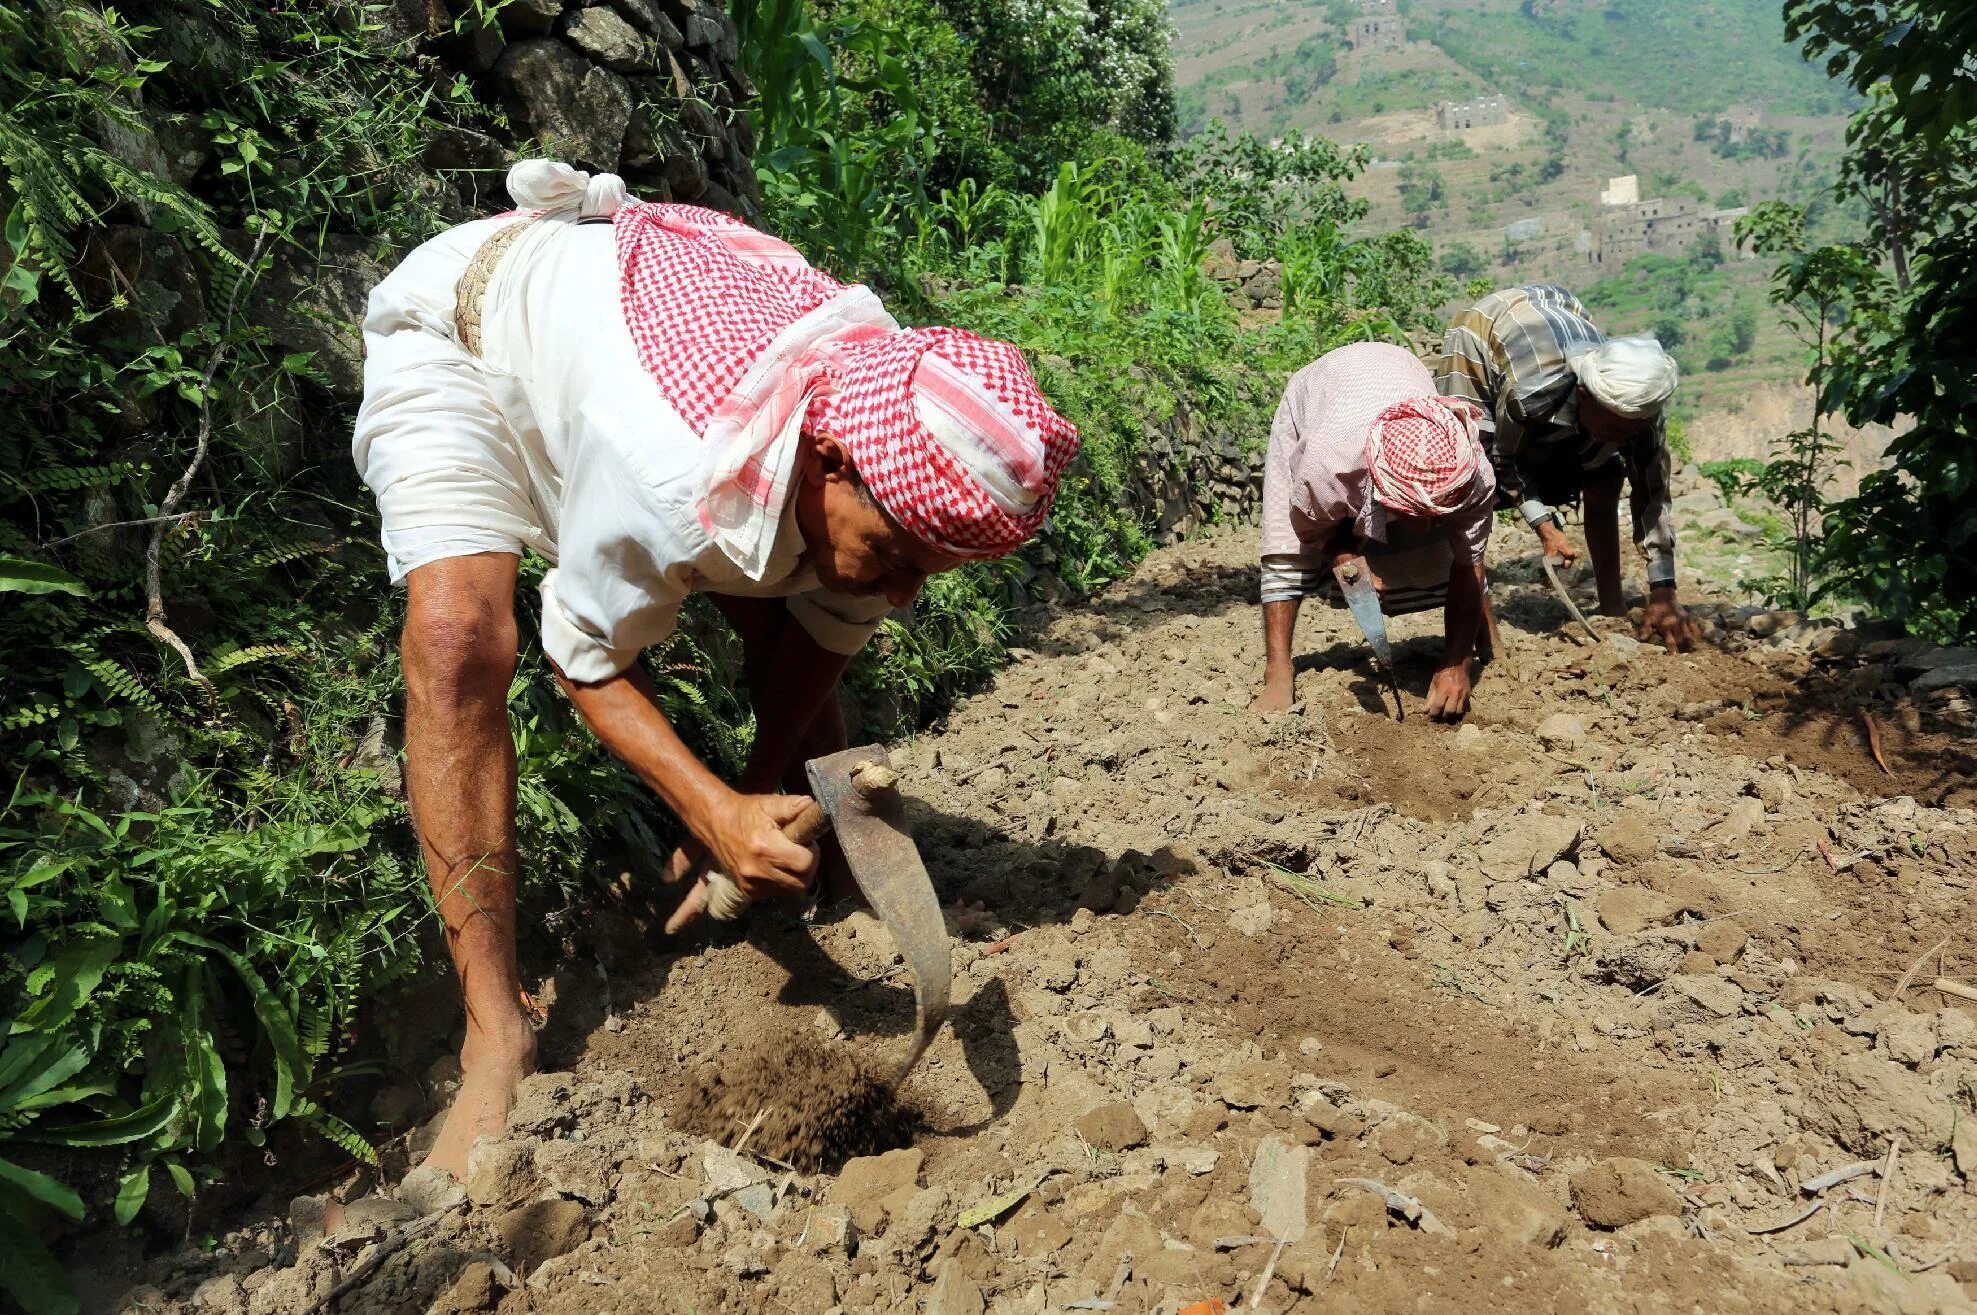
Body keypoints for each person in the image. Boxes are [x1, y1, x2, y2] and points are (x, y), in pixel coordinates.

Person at [353, 162, 1078, 1179]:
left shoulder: (892, 451)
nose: (906, 594)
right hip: (470, 331)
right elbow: (586, 657)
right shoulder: (673, 468)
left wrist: (759, 793)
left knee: (794, 587)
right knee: (459, 643)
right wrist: (709, 814)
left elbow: (821, 638)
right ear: (826, 460)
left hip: (634, 361)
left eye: (931, 573)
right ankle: (494, 1034)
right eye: (901, 558)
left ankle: (798, 838)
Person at [1434, 284, 1699, 650]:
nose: (1622, 437)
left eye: (1631, 429)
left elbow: (1653, 495)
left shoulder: (1640, 410)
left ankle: (1612, 608)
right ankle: (1477, 614)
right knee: (1469, 467)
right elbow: (1505, 461)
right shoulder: (1529, 398)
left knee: (1606, 473)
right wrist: (1544, 527)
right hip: (1484, 334)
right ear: (1586, 395)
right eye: (1614, 426)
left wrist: (1664, 591)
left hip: (1558, 310)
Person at [1253, 340, 1496, 721]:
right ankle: (1278, 671)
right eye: (1419, 513)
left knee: (1454, 549)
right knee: (1286, 549)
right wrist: (1348, 556)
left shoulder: (1473, 473)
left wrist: (1455, 663)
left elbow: (1469, 564)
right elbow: (1310, 530)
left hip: (1397, 370)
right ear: (1379, 489)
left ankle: (1483, 647)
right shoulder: (1327, 467)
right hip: (1321, 395)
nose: (1431, 524)